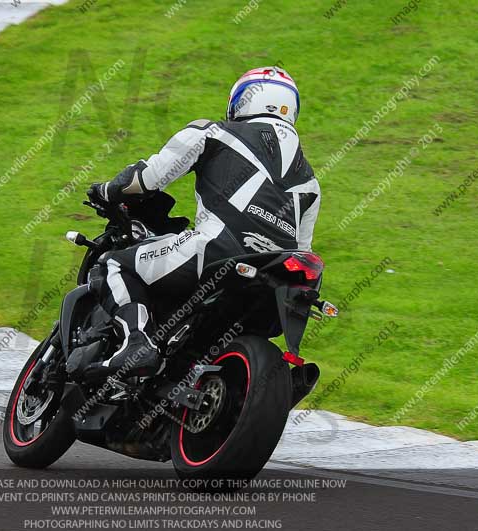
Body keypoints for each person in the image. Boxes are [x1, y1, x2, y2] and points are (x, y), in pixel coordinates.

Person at [87, 66, 321, 377]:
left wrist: (106, 190)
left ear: (240, 101)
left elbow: (146, 179)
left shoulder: (213, 132)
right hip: (278, 282)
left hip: (215, 251)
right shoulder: (311, 182)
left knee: (113, 265)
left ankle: (136, 344)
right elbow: (303, 248)